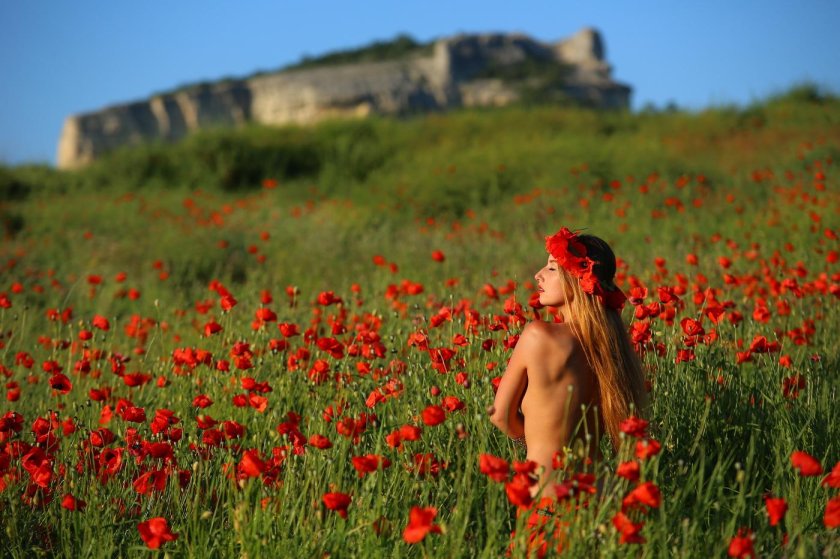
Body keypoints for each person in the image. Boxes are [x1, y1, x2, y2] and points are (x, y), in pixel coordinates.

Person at [488, 227, 647, 501]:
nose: (538, 274)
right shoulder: (614, 347)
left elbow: (499, 415)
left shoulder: (538, 336)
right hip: (599, 495)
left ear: (577, 278)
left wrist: (532, 443)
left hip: (548, 496)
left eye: (552, 268)